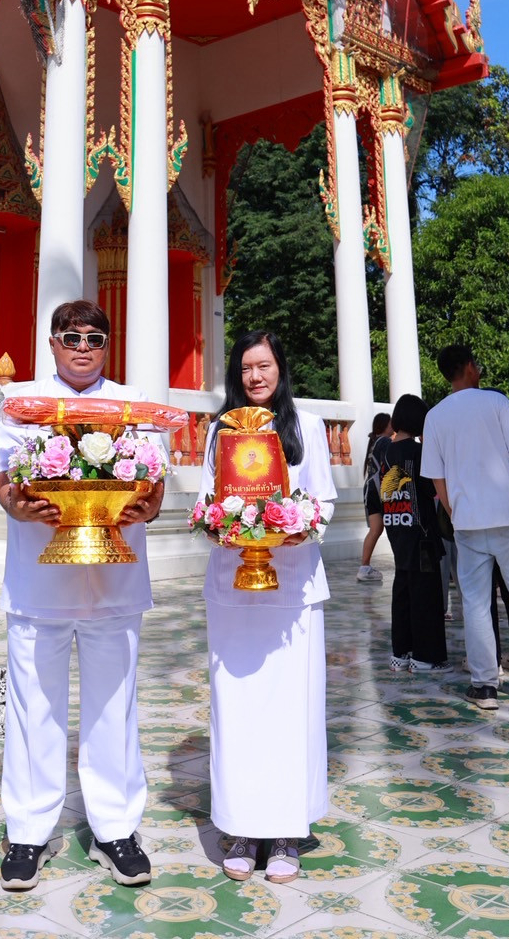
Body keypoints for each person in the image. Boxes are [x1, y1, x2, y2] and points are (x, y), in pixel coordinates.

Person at [0, 301, 163, 892]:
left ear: (107, 343)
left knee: (115, 707)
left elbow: (154, 485)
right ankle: (30, 832)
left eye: (94, 336)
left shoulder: (132, 406)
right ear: (52, 342)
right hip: (41, 579)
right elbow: (3, 479)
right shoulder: (21, 404)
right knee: (34, 708)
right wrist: (17, 503)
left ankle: (115, 829)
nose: (83, 346)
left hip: (115, 579)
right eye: (71, 336)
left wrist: (149, 505)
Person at [199, 331, 336, 884]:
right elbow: (209, 500)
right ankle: (240, 825)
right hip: (233, 588)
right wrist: (226, 527)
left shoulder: (306, 427)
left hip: (294, 590)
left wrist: (299, 530)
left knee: (291, 708)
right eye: (247, 368)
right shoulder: (218, 430)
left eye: (265, 366)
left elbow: (323, 500)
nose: (256, 376)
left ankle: (285, 832)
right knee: (237, 705)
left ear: (281, 369)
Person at [421, 343, 509, 711]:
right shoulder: (496, 403)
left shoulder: (435, 416)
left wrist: (454, 510)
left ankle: (484, 686)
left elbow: (436, 477)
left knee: (477, 605)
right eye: (476, 362)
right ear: (467, 366)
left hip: (469, 522)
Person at [380, 394, 447, 673]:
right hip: (422, 535)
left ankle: (401, 653)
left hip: (395, 528)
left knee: (402, 591)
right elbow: (433, 490)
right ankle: (425, 657)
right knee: (426, 596)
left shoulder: (383, 452)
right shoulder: (420, 453)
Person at [358, 412, 391, 583]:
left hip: (371, 490)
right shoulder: (385, 441)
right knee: (377, 529)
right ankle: (364, 567)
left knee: (376, 529)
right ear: (385, 425)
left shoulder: (375, 441)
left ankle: (365, 567)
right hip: (376, 491)